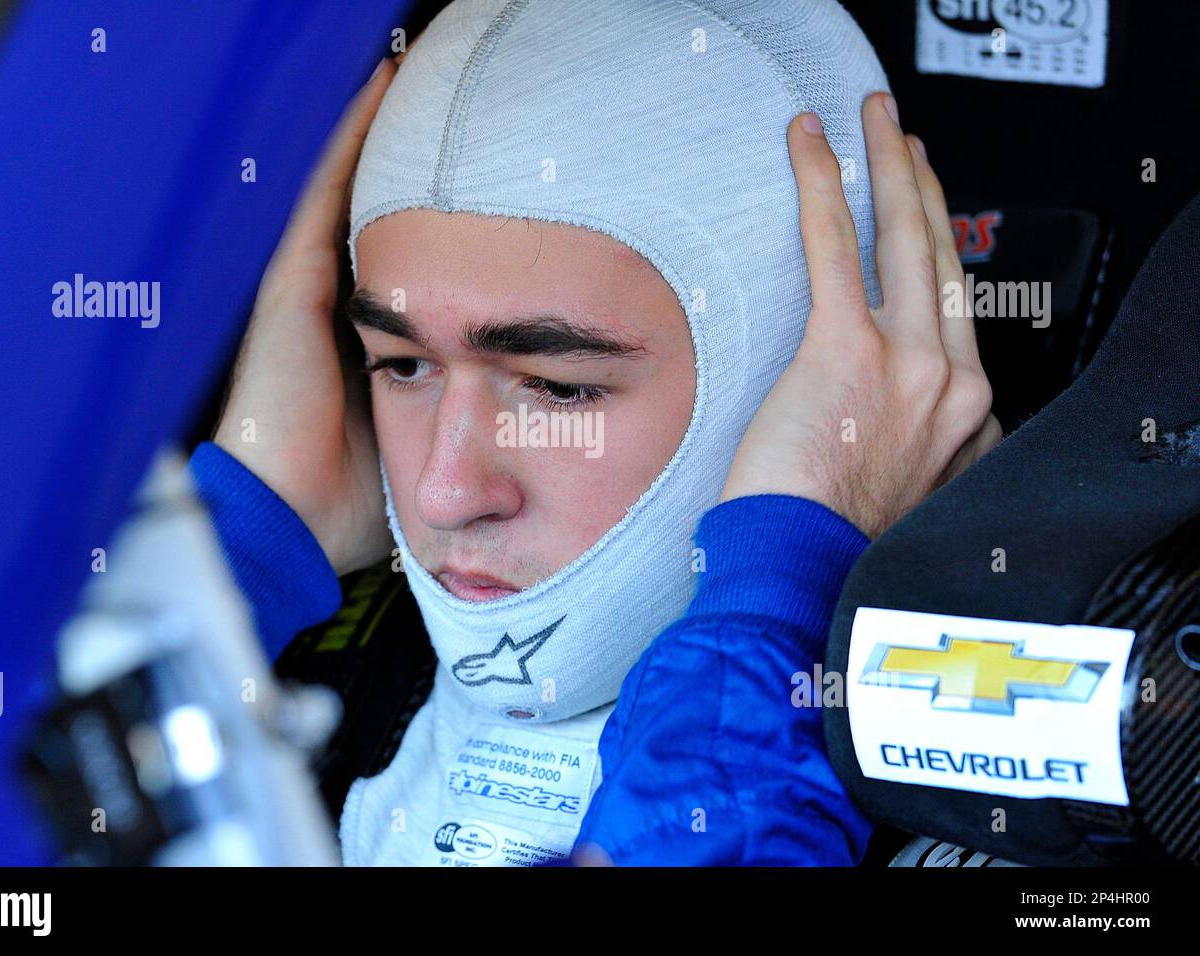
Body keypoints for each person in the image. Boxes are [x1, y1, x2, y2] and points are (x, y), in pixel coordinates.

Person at [189, 0, 998, 866]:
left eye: (558, 387)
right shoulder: (307, 668)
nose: (444, 491)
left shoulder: (1036, 777)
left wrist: (779, 591)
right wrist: (241, 546)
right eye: (402, 364)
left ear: (815, 370)